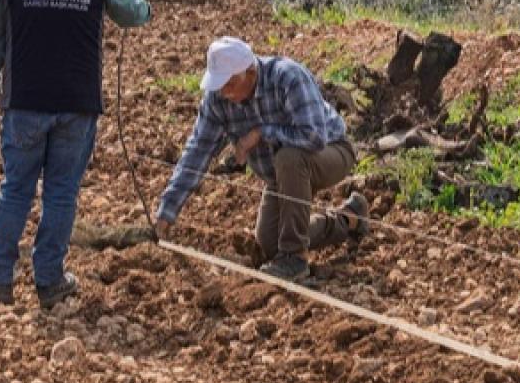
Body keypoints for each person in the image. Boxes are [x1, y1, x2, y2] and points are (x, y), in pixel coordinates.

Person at [0, 0, 152, 309]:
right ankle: (49, 280)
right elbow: (134, 14)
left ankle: (0, 281)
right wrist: (143, 4)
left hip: (24, 100)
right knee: (60, 193)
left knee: (15, 190)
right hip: (77, 103)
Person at [155, 37, 370, 280]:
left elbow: (314, 137)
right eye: (220, 85)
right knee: (270, 245)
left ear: (250, 71)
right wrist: (166, 213)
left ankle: (295, 259)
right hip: (281, 176)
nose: (225, 93)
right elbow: (197, 152)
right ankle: (350, 218)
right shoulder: (218, 99)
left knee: (288, 157)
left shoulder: (287, 77)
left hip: (331, 152)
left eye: (230, 84)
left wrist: (261, 132)